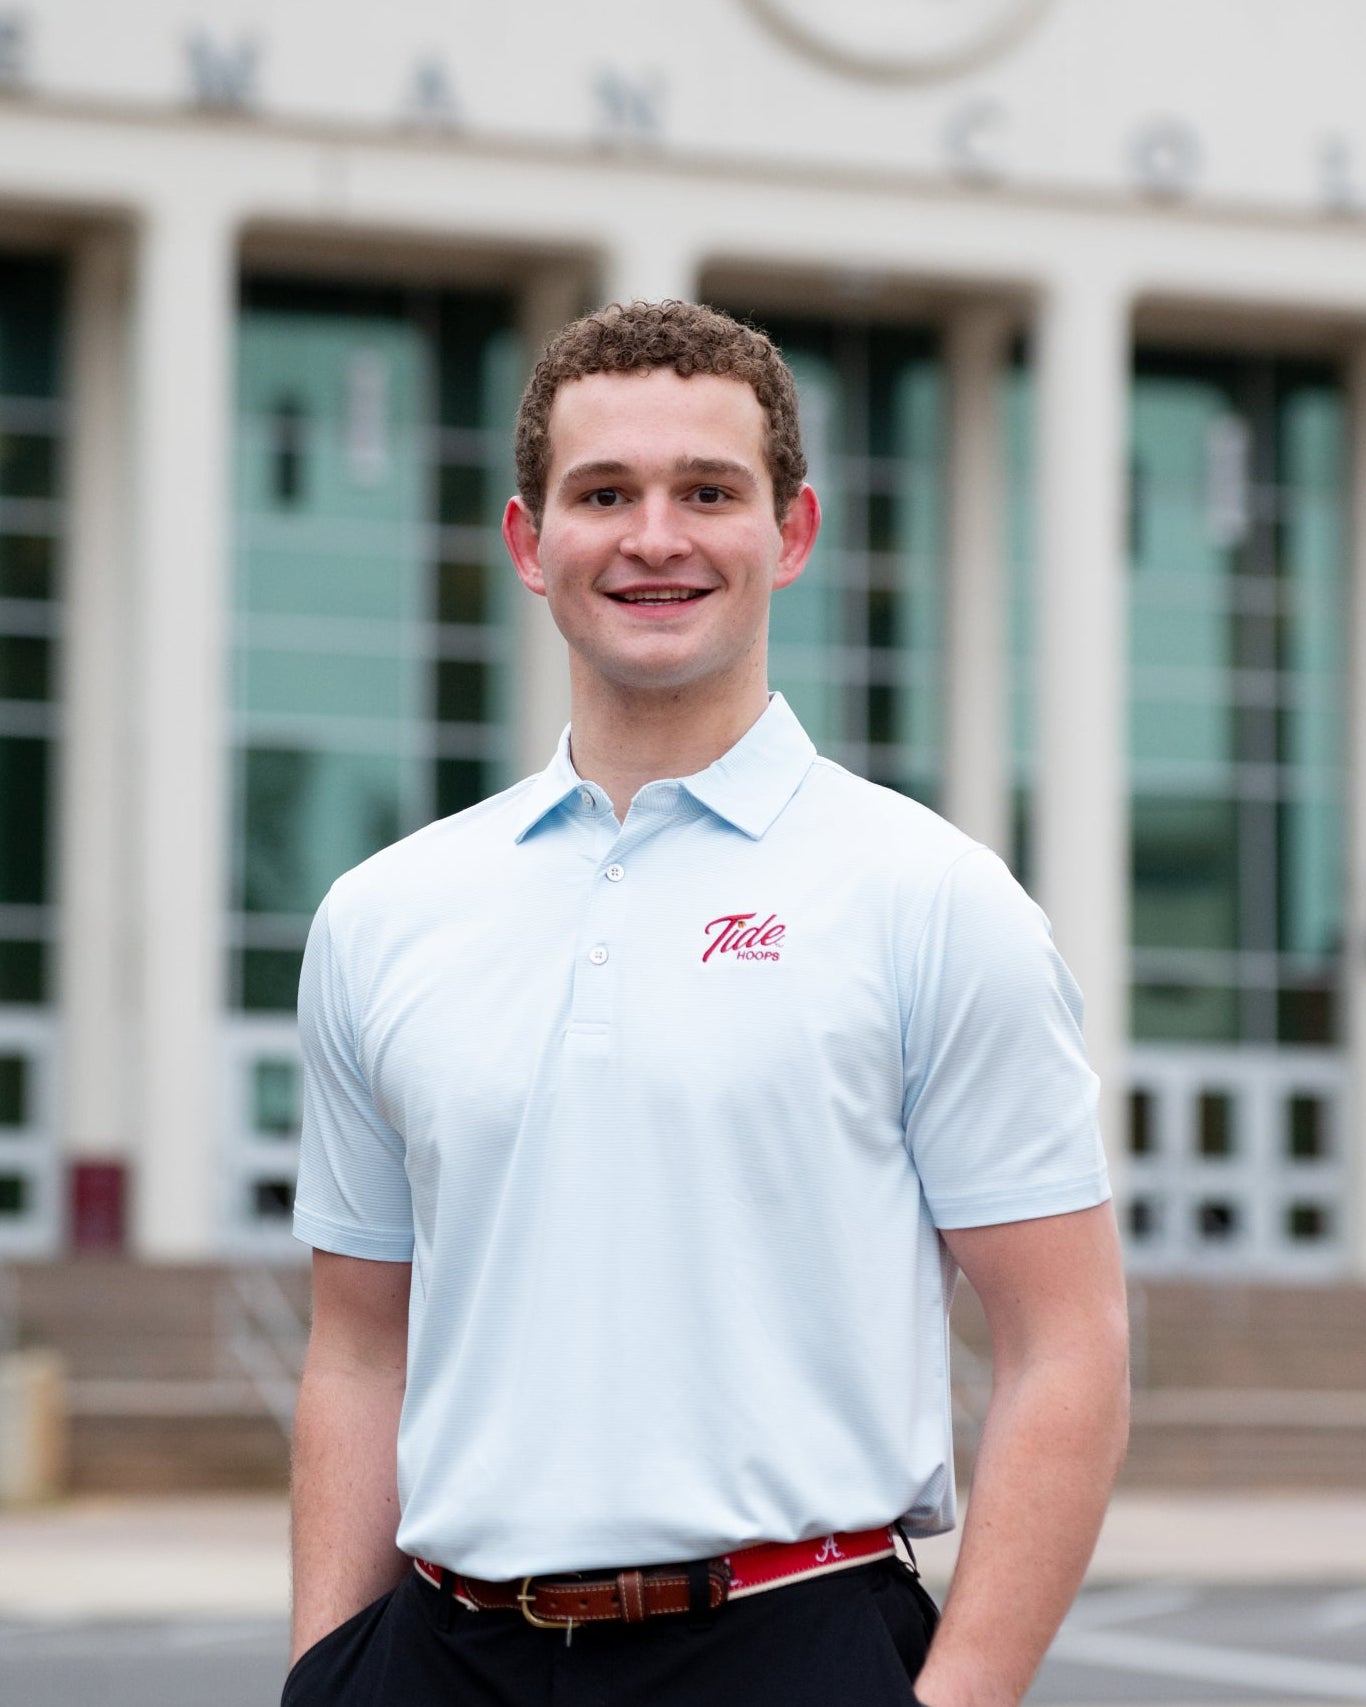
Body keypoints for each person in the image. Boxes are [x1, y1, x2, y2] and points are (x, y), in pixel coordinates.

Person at [284, 299, 1129, 1707]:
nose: (655, 537)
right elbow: (361, 1345)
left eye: (708, 492)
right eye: (603, 493)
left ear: (789, 535)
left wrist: (960, 1699)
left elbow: (1068, 1343)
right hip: (437, 1658)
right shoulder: (386, 914)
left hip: (787, 1642)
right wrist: (324, 1672)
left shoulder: (927, 895)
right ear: (527, 541)